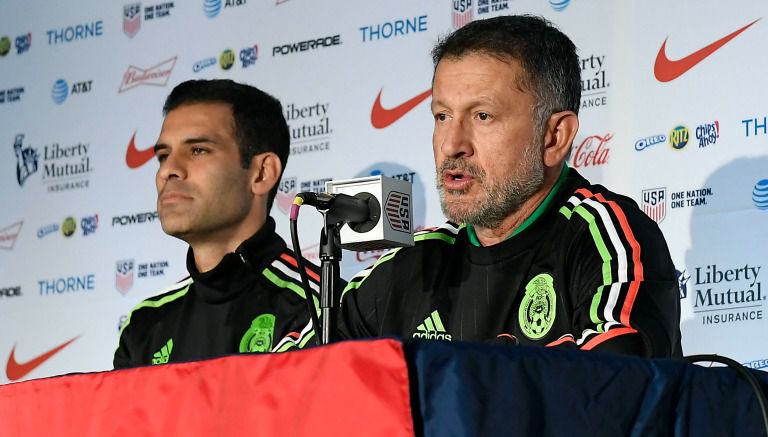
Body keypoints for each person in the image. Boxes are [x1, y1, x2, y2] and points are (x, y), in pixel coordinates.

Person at [340, 15, 682, 357]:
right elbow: (296, 374)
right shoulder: (410, 266)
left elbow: (616, 386)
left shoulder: (605, 238)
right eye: (442, 116)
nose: (451, 145)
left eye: (482, 116)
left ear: (554, 137)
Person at [114, 79, 320, 369]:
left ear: (261, 174)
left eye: (198, 150)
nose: (168, 170)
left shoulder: (321, 306)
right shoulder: (145, 325)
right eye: (163, 156)